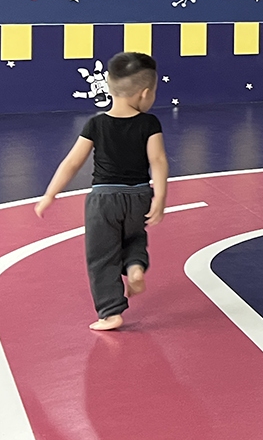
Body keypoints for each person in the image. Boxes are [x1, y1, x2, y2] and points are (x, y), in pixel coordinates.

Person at [34, 51, 168, 331]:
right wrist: (160, 197)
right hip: (139, 196)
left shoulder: (96, 124)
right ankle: (135, 268)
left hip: (104, 199)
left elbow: (72, 162)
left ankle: (110, 312)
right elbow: (157, 160)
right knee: (134, 237)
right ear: (145, 93)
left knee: (102, 255)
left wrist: (50, 194)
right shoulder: (149, 123)